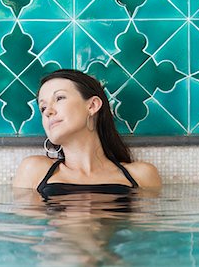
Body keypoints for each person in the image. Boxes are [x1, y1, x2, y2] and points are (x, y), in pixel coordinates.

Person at [13, 69, 162, 197]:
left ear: (92, 105)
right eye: (43, 108)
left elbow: (142, 230)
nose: (48, 112)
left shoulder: (142, 175)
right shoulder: (34, 171)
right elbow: (26, 228)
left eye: (59, 98)